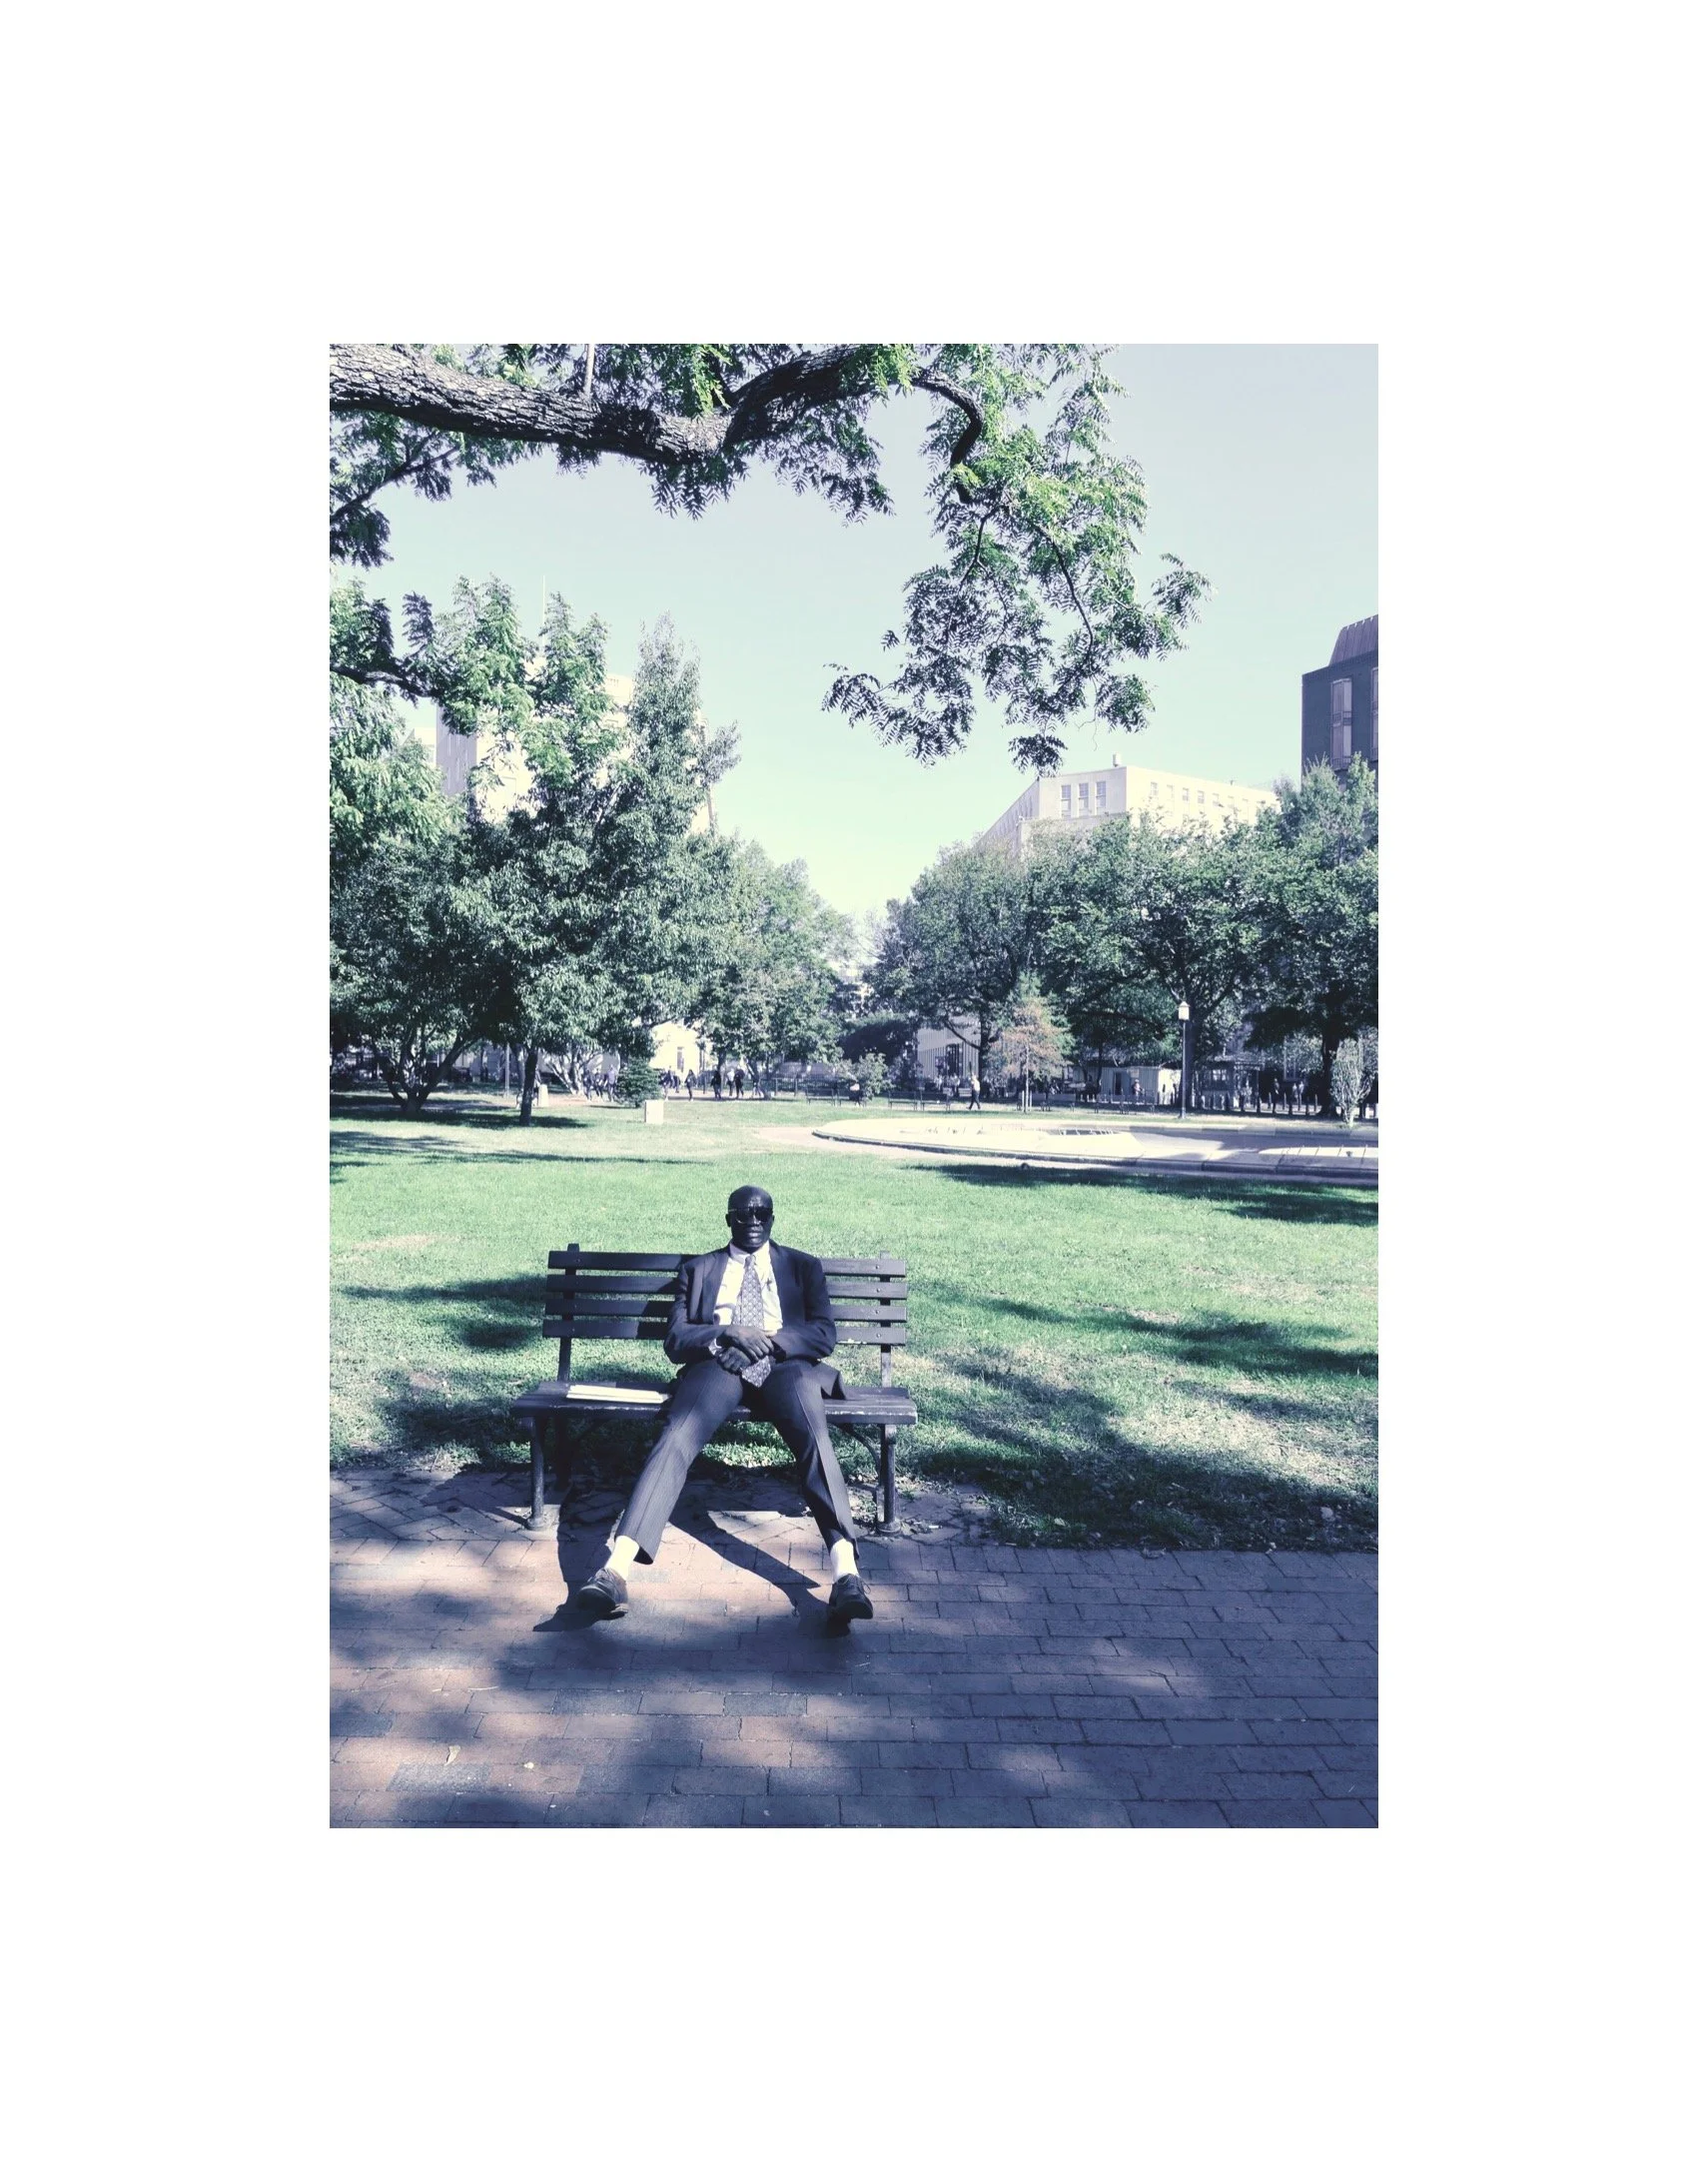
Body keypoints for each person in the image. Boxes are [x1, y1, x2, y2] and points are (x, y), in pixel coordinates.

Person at [574, 1186, 873, 1630]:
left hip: (786, 1367)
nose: (753, 1221)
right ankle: (615, 1571)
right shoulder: (699, 1270)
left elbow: (823, 1334)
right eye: (743, 1214)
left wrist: (767, 1343)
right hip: (720, 1366)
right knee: (677, 1436)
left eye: (762, 1213)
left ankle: (846, 1575)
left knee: (814, 1436)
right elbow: (676, 1340)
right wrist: (728, 1333)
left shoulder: (802, 1267)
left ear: (772, 1219)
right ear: (728, 1219)